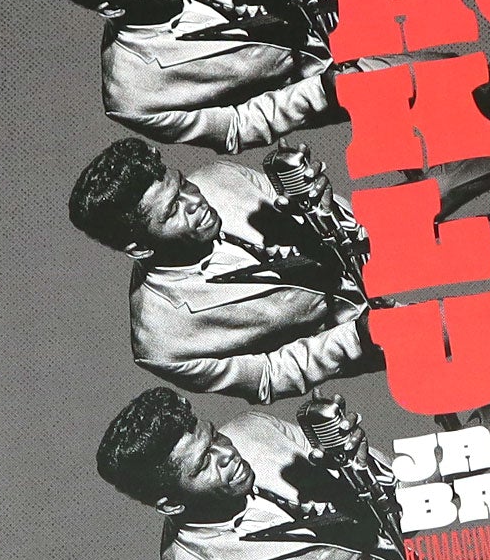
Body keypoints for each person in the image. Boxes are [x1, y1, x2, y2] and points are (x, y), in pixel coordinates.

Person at [95, 388, 415, 560]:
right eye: (204, 464)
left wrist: (361, 464)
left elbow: (380, 478)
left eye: (214, 435)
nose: (228, 453)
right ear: (171, 505)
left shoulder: (254, 428)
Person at [68, 139, 379, 402]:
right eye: (172, 210)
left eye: (182, 184)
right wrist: (357, 337)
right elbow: (268, 377)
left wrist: (324, 208)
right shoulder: (162, 343)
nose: (195, 200)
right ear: (139, 249)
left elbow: (339, 222)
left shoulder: (220, 177)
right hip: (370, 340)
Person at [43, 0, 338, 152]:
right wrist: (323, 90)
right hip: (330, 88)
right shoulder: (132, 97)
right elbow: (235, 128)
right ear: (112, 8)